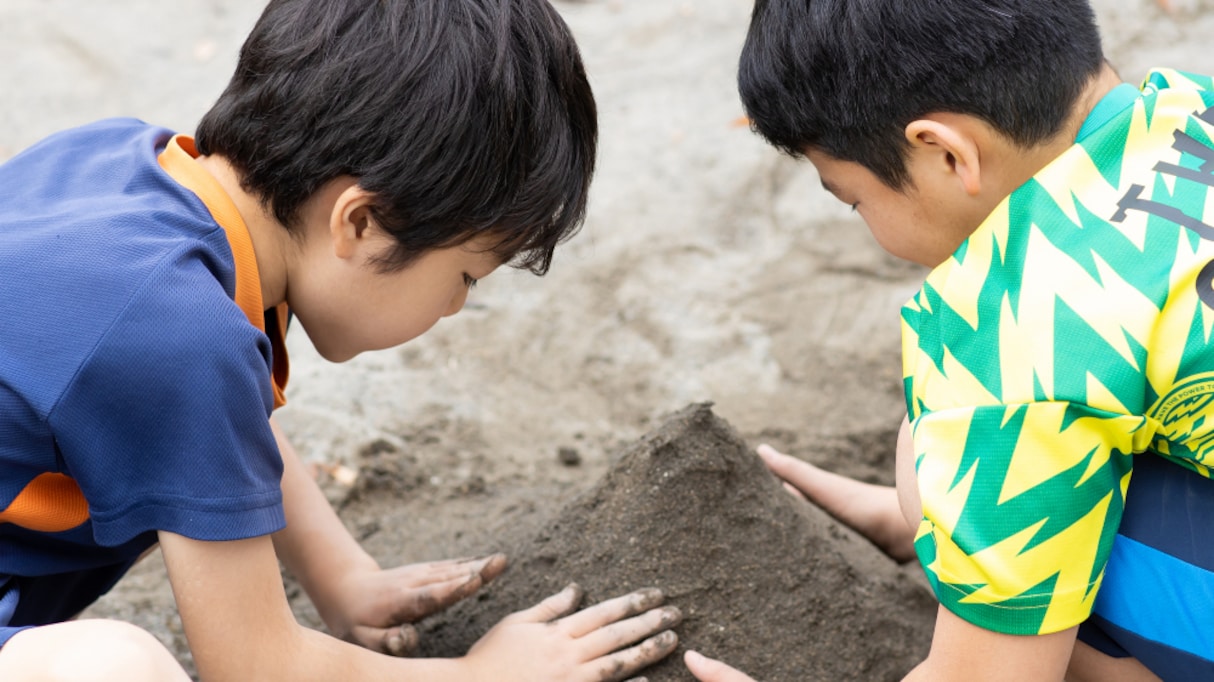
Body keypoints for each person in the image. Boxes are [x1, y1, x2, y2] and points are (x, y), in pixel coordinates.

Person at [0, 0, 682, 680]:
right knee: (114, 669)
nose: (453, 307)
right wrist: (482, 676)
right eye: (466, 276)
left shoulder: (127, 165)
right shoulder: (178, 335)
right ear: (358, 223)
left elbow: (206, 423)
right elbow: (256, 667)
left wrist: (342, 577)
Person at [685, 0, 1214, 680]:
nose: (863, 219)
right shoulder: (1188, 103)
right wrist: (911, 522)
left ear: (944, 152)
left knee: (939, 448)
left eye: (854, 199)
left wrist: (942, 512)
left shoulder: (1023, 324)